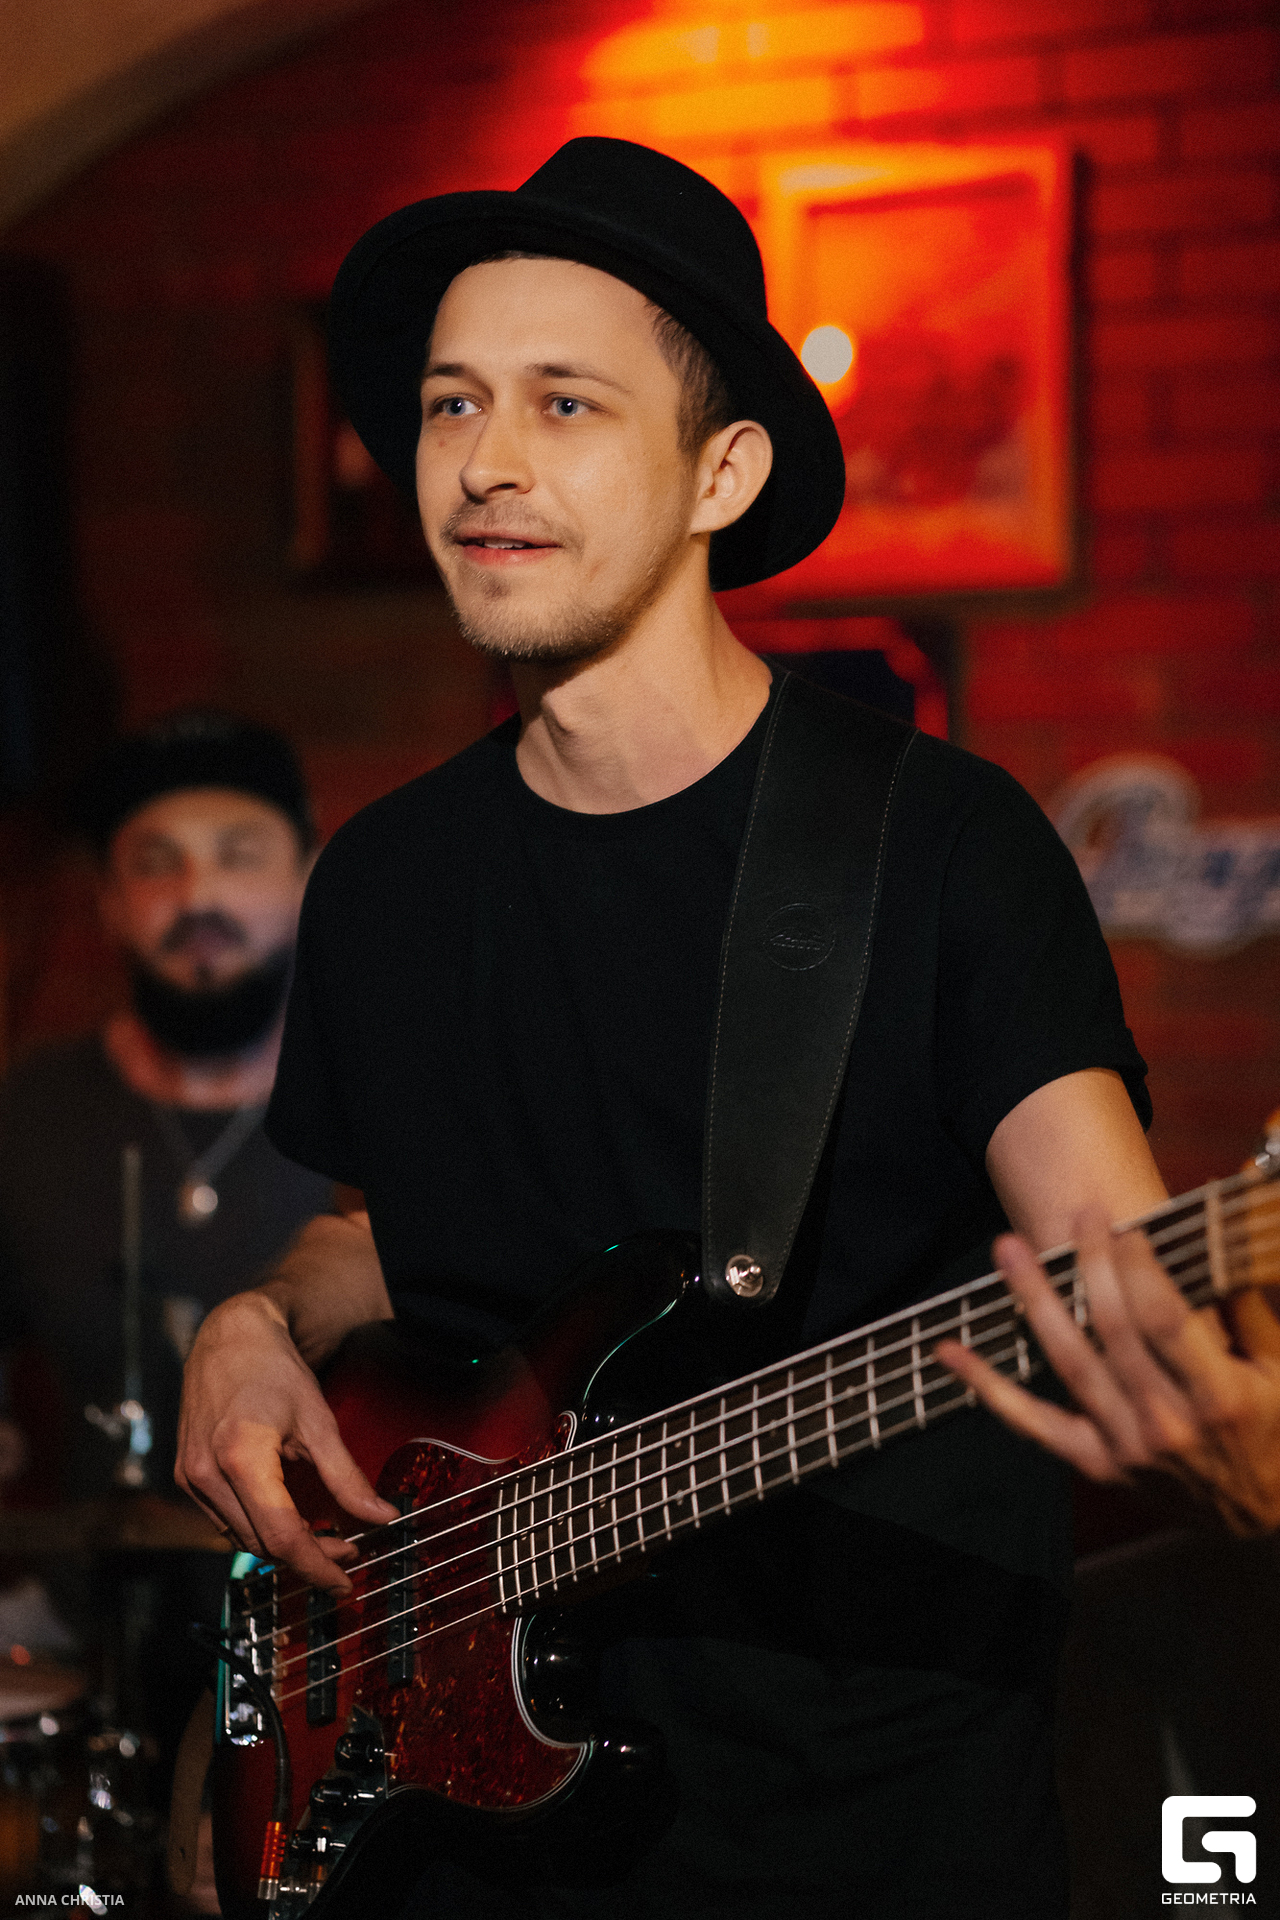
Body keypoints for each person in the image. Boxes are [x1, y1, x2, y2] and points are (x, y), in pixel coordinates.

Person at [175, 140, 1280, 1917]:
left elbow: (1120, 1263)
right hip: (455, 1837)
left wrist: (1247, 1452)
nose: (489, 460)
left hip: (866, 1835)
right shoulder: (384, 880)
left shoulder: (939, 845)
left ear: (723, 471)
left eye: (566, 402)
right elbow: (383, 1228)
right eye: (455, 403)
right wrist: (253, 1323)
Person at [0, 711, 333, 1759]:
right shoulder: (31, 1111)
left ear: (305, 875)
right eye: (156, 864)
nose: (198, 899)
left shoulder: (377, 1109)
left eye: (238, 855)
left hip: (331, 1651)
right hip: (80, 1636)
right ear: (108, 901)